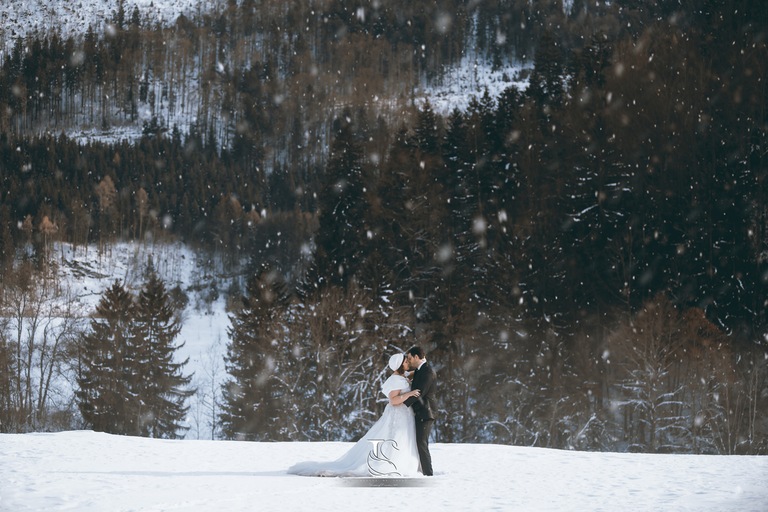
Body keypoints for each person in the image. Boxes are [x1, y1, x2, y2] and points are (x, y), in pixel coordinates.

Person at [287, 353, 422, 477]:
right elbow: (393, 400)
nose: (407, 363)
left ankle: (404, 463)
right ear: (400, 365)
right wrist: (409, 394)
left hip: (404, 414)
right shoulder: (395, 380)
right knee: (395, 439)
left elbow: (406, 379)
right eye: (405, 361)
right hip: (398, 415)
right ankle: (390, 464)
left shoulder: (400, 377)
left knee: (403, 439)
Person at [403, 346, 436, 476]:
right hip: (421, 412)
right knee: (420, 443)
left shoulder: (427, 371)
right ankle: (424, 471)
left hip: (426, 412)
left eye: (410, 358)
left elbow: (419, 393)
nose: (409, 361)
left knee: (422, 443)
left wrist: (401, 403)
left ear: (417, 357)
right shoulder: (420, 370)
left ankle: (428, 474)